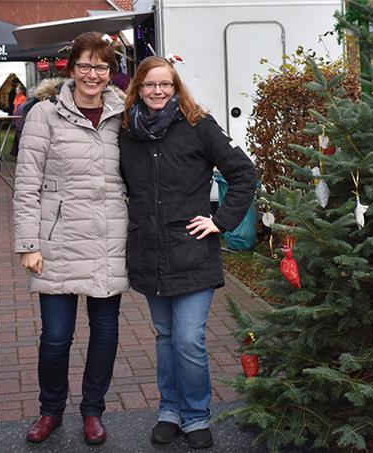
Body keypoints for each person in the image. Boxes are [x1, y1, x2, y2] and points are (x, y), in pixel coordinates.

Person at [119, 56, 257, 449]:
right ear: (138, 90)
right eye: (149, 85)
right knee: (165, 337)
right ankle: (170, 411)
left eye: (165, 84)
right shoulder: (128, 131)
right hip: (150, 251)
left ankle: (196, 415)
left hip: (192, 251)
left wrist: (221, 220)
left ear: (176, 86)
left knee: (189, 339)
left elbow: (244, 174)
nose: (157, 91)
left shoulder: (199, 125)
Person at [13, 31, 127, 445]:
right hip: (57, 239)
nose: (92, 74)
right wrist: (28, 244)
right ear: (71, 69)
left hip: (109, 237)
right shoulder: (44, 114)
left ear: (111, 72)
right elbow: (27, 184)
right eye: (85, 66)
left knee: (105, 333)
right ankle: (51, 410)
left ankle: (93, 411)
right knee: (56, 337)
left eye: (101, 66)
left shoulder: (123, 114)